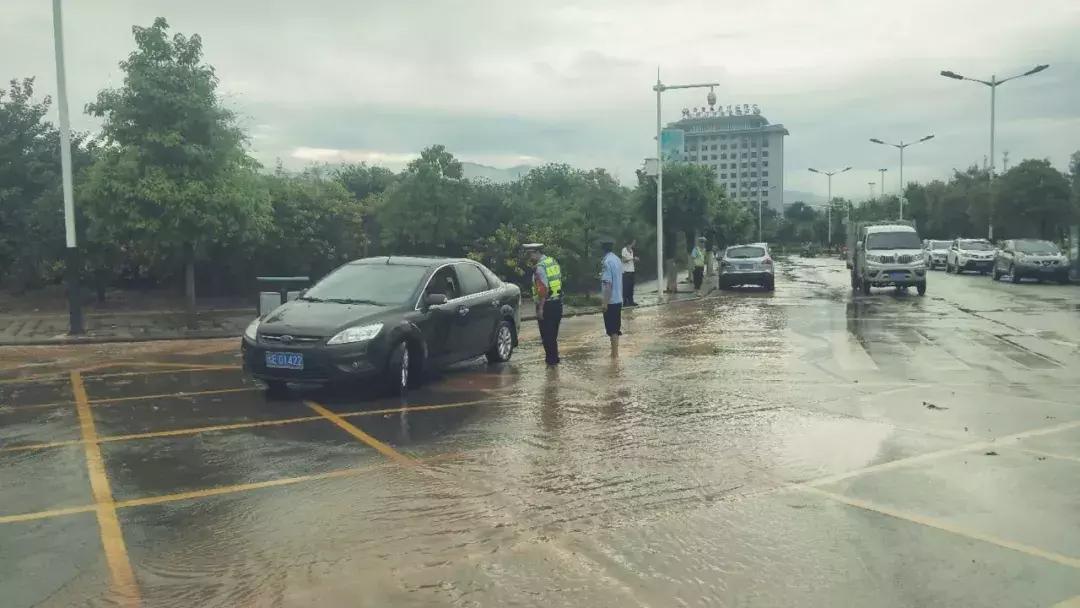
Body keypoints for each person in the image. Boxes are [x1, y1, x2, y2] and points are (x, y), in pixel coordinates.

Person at [524, 243, 562, 366]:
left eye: (530, 254)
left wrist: (540, 309)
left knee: (547, 338)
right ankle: (554, 364)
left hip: (547, 305)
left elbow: (542, 289)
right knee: (553, 337)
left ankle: (551, 370)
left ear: (537, 252)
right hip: (557, 303)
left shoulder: (540, 267)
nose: (529, 257)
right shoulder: (552, 261)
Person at [600, 239, 623, 358]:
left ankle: (614, 355)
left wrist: (605, 303)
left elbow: (608, 284)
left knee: (612, 329)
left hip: (611, 300)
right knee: (616, 327)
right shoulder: (617, 260)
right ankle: (615, 353)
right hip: (618, 298)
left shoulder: (606, 262)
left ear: (603, 249)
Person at [621, 239, 639, 307]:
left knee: (631, 287)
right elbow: (623, 260)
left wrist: (635, 260)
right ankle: (625, 302)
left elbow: (631, 262)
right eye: (633, 242)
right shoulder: (624, 250)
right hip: (626, 272)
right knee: (626, 287)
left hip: (631, 271)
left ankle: (631, 301)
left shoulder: (631, 251)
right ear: (630, 243)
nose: (634, 244)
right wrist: (632, 258)